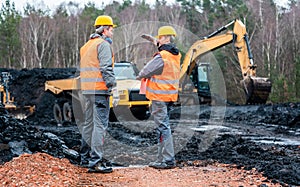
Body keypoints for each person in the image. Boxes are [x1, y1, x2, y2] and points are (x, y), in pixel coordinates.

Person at [137, 26, 181, 169]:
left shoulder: (162, 56)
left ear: (163, 38)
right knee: (163, 127)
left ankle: (167, 160)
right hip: (169, 95)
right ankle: (162, 158)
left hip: (159, 96)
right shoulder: (175, 55)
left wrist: (139, 76)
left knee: (163, 127)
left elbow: (145, 71)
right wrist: (156, 42)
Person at [79, 15, 119, 173]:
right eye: (111, 29)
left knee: (88, 125)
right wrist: (113, 87)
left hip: (88, 90)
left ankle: (84, 158)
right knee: (100, 126)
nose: (113, 32)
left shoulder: (87, 46)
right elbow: (106, 68)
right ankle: (95, 162)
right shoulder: (103, 45)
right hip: (100, 90)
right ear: (105, 29)